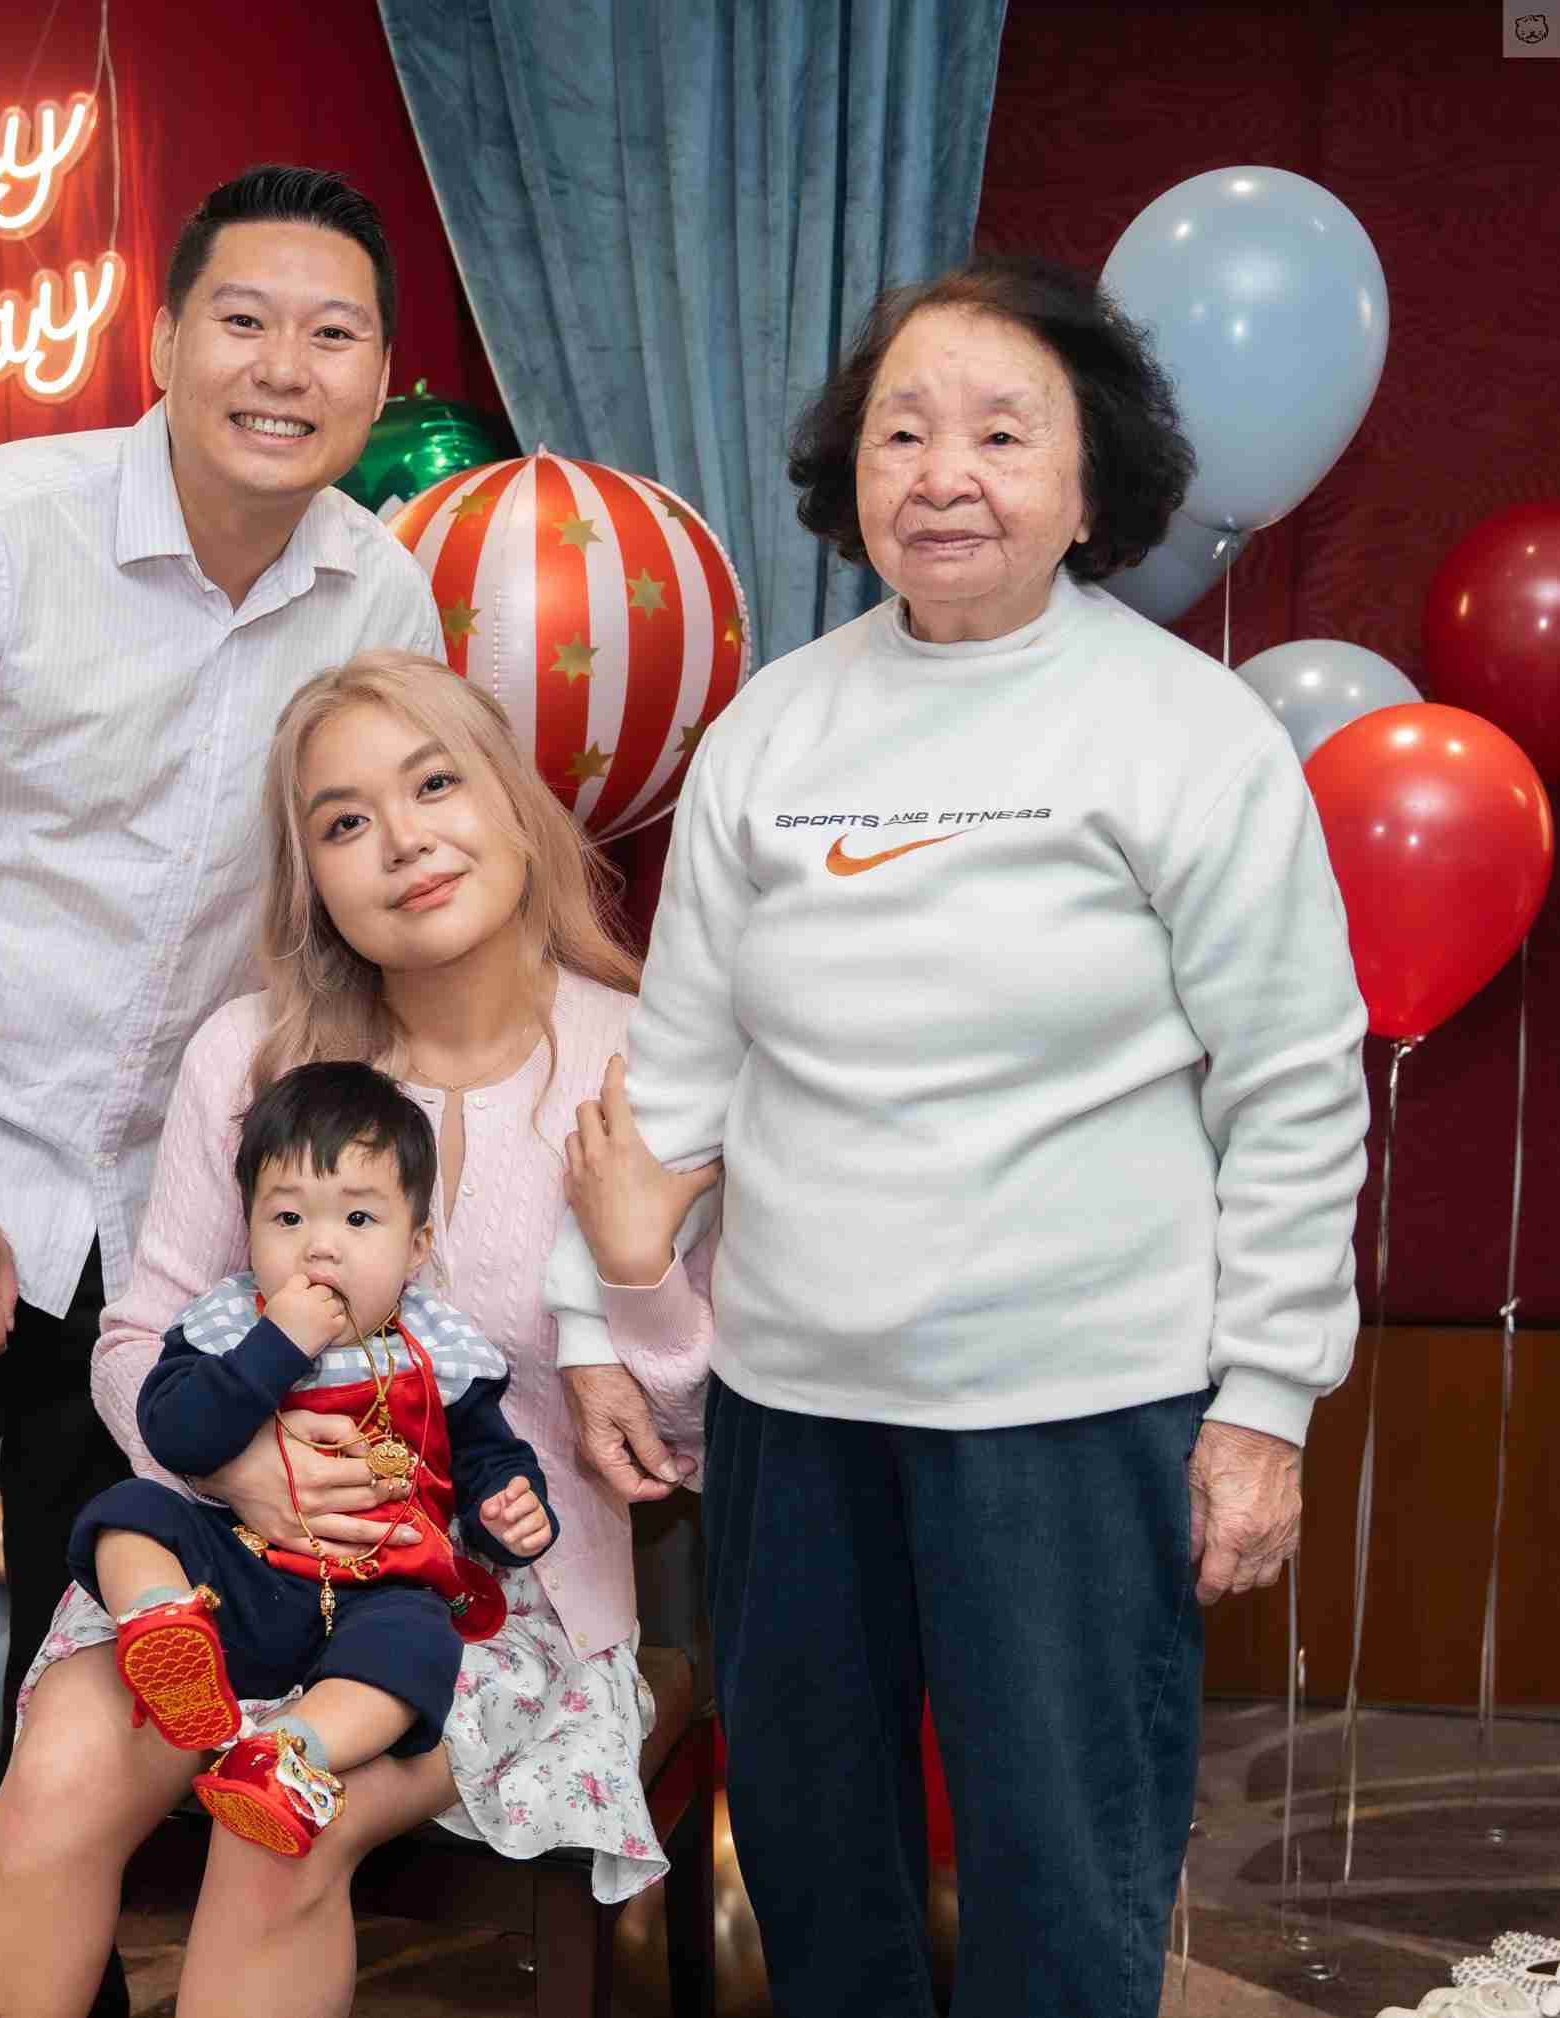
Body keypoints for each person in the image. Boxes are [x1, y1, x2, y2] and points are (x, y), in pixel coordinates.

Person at [544, 253, 1372, 2018]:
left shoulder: (1184, 730)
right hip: (794, 1407)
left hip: (1073, 1411)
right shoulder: (775, 725)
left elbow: (1291, 1084)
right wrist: (584, 1315)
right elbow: (675, 1067)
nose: (943, 474)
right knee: (812, 1858)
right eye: (901, 430)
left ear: (1090, 481)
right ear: (849, 469)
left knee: (1060, 1871)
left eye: (1002, 433)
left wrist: (1263, 1402)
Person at [0, 165, 444, 2018]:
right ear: (160, 339)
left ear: (378, 378)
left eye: (331, 335)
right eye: (244, 321)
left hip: (165, 1196)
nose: (282, 368)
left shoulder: (378, 587)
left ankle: (43, 1975)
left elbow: (364, 897)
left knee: (111, 1602)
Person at [0, 650, 720, 2018]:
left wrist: (633, 1267)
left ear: (514, 802)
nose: (403, 840)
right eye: (345, 819)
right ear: (310, 876)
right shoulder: (249, 1059)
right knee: (57, 1775)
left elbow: (688, 1440)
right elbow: (137, 1337)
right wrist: (241, 1467)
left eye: (435, 784)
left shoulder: (648, 1064)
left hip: (489, 1604)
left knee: (280, 1823)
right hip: (228, 1558)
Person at [72, 1060, 555, 1857]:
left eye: (358, 1220)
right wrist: (276, 1346)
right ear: (249, 1229)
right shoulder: (229, 1326)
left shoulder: (440, 1348)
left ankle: (288, 1752)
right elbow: (175, 1437)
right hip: (233, 1577)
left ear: (415, 1246)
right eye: (288, 1218)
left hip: (378, 1587)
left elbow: (486, 1459)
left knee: (418, 1648)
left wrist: (510, 1507)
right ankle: (162, 1628)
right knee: (126, 1513)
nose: (320, 1247)